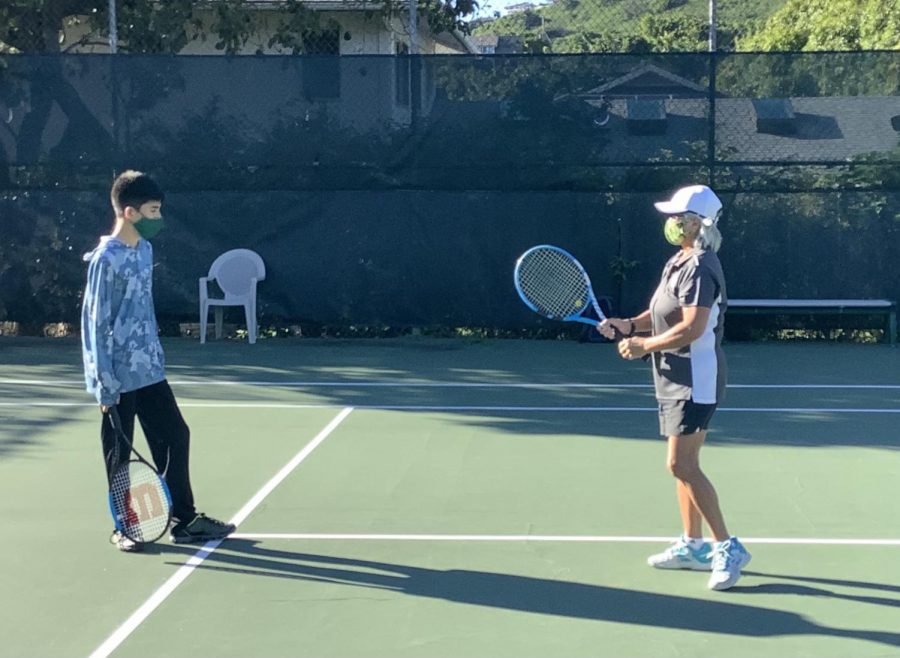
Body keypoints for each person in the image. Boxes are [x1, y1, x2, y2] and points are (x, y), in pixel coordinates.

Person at [599, 184, 751, 591]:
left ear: (696, 222)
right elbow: (661, 311)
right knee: (682, 466)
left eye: (677, 216)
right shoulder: (679, 261)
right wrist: (630, 326)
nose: (670, 222)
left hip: (696, 378)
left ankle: (727, 547)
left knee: (681, 465)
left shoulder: (701, 265)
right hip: (673, 377)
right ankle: (693, 546)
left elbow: (692, 326)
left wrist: (643, 344)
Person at [81, 170, 235, 553]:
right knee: (119, 452)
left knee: (176, 435)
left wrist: (155, 356)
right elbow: (95, 322)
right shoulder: (106, 259)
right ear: (130, 212)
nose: (159, 218)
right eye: (153, 210)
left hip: (148, 370)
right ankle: (125, 526)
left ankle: (185, 520)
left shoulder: (144, 251)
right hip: (116, 377)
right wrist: (102, 383)